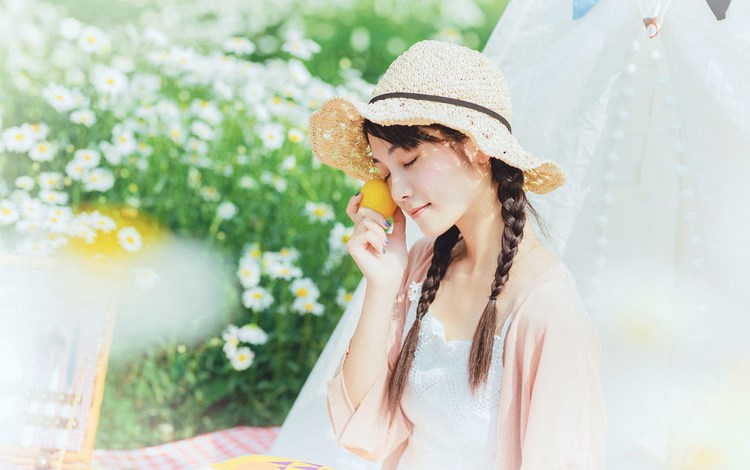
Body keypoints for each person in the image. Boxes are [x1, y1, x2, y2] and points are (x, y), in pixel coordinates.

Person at [304, 40, 606, 470]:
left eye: (410, 159)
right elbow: (361, 429)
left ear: (477, 148)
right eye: (386, 173)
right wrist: (382, 283)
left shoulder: (546, 311)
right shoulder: (424, 265)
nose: (398, 191)